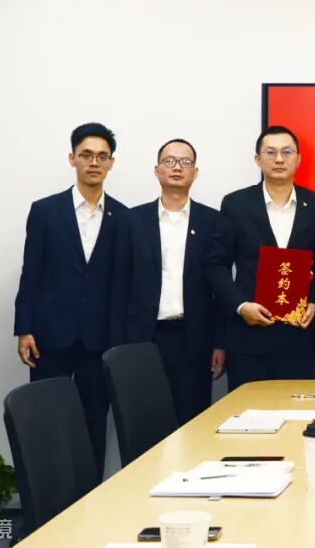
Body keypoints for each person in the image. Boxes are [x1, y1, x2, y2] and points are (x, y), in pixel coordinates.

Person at [13, 122, 126, 471]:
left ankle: (89, 498)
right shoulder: (45, 211)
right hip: (50, 336)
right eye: (86, 155)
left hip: (99, 341)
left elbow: (122, 284)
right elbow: (31, 272)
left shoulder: (124, 217)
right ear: (72, 158)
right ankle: (49, 499)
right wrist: (24, 328)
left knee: (94, 423)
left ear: (111, 163)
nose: (94, 162)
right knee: (46, 420)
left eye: (102, 156)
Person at [110, 138, 224, 425]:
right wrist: (118, 345)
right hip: (143, 338)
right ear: (156, 170)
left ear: (195, 172)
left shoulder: (213, 222)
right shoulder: (130, 221)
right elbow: (119, 285)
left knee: (192, 425)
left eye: (185, 162)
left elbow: (220, 289)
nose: (177, 168)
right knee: (144, 424)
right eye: (169, 161)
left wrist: (220, 343)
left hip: (193, 339)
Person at [207, 126, 315, 391]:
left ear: (298, 159)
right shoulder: (236, 204)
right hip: (247, 337)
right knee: (247, 412)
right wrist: (241, 306)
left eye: (287, 152)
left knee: (295, 412)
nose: (279, 159)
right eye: (270, 152)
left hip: (297, 339)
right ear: (257, 159)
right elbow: (217, 265)